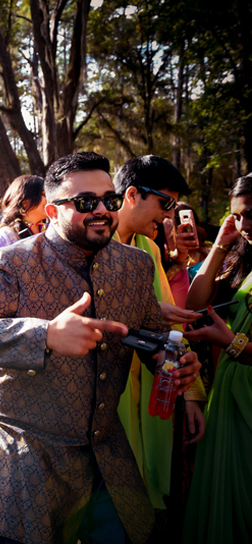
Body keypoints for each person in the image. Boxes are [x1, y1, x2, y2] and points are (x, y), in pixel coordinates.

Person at [0, 151, 202, 544]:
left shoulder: (135, 265)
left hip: (107, 456)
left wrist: (171, 359)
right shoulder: (14, 263)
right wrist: (44, 335)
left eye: (109, 200)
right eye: (85, 202)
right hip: (28, 458)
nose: (101, 210)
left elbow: (151, 335)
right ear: (51, 210)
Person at [111, 155, 206, 511]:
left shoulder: (148, 249)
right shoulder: (90, 245)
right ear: (132, 194)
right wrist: (145, 310)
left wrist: (191, 393)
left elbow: (172, 329)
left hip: (147, 385)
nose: (168, 216)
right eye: (165, 203)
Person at [183, 173, 252, 543]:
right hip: (228, 398)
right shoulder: (240, 256)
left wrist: (234, 343)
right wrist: (222, 246)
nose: (244, 225)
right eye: (236, 216)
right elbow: (194, 305)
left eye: (251, 215)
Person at [0, 174, 47, 501]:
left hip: (25, 339)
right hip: (5, 340)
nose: (51, 204)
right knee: (1, 420)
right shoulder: (3, 239)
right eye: (45, 198)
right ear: (26, 202)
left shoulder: (32, 232)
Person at [0, 175, 47, 255]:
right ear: (25, 202)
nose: (49, 199)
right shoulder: (3, 239)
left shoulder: (51, 230)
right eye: (44, 195)